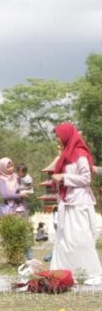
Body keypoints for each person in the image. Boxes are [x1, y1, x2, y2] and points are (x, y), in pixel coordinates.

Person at [50, 122, 102, 285]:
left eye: (58, 135)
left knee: (80, 238)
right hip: (68, 202)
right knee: (66, 239)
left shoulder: (79, 154)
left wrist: (64, 177)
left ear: (66, 135)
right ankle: (66, 271)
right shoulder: (66, 154)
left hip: (79, 202)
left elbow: (86, 178)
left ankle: (91, 272)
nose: (57, 139)